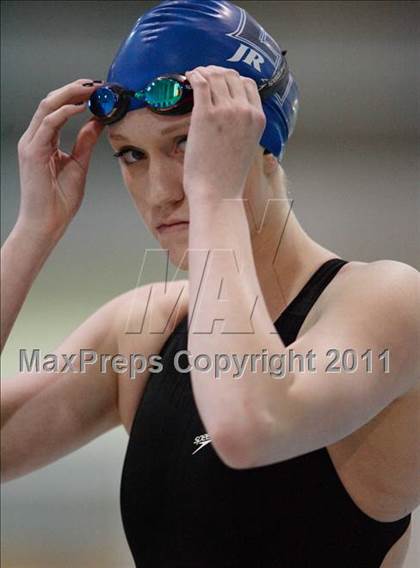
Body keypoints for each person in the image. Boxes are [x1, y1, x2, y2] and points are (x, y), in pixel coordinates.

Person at [1, 1, 419, 566]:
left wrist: (215, 197)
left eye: (187, 144)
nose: (162, 191)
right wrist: (32, 232)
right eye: (131, 155)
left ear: (262, 140)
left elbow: (247, 426)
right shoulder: (146, 331)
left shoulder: (388, 301)